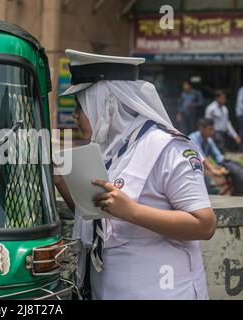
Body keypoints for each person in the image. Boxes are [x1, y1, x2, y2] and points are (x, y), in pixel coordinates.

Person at [55, 49, 215, 300]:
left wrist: (132, 211)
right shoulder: (106, 150)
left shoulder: (168, 148)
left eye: (80, 105)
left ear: (107, 103)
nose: (74, 114)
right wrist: (60, 181)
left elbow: (204, 225)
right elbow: (98, 217)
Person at [190, 118, 243, 196]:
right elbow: (201, 158)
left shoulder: (209, 140)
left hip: (202, 166)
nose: (212, 132)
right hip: (192, 168)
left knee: (236, 168)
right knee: (212, 189)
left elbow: (218, 156)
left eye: (213, 129)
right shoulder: (193, 138)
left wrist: (229, 164)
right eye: (210, 129)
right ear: (202, 129)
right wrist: (213, 169)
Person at [235, 85, 243, 151]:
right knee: (242, 131)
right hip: (241, 114)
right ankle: (240, 148)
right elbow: (240, 103)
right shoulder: (242, 90)